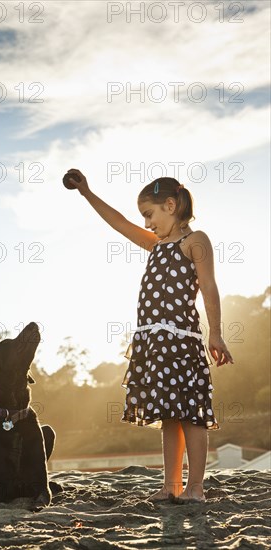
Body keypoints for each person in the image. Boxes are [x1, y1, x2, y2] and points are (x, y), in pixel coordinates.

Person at [65, 169, 234, 504]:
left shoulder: (194, 240)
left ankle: (195, 487)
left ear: (170, 205)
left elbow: (210, 288)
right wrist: (86, 192)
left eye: (150, 214)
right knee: (169, 415)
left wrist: (215, 333)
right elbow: (117, 222)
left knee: (191, 414)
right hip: (152, 343)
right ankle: (171, 486)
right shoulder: (155, 244)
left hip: (181, 340)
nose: (146, 223)